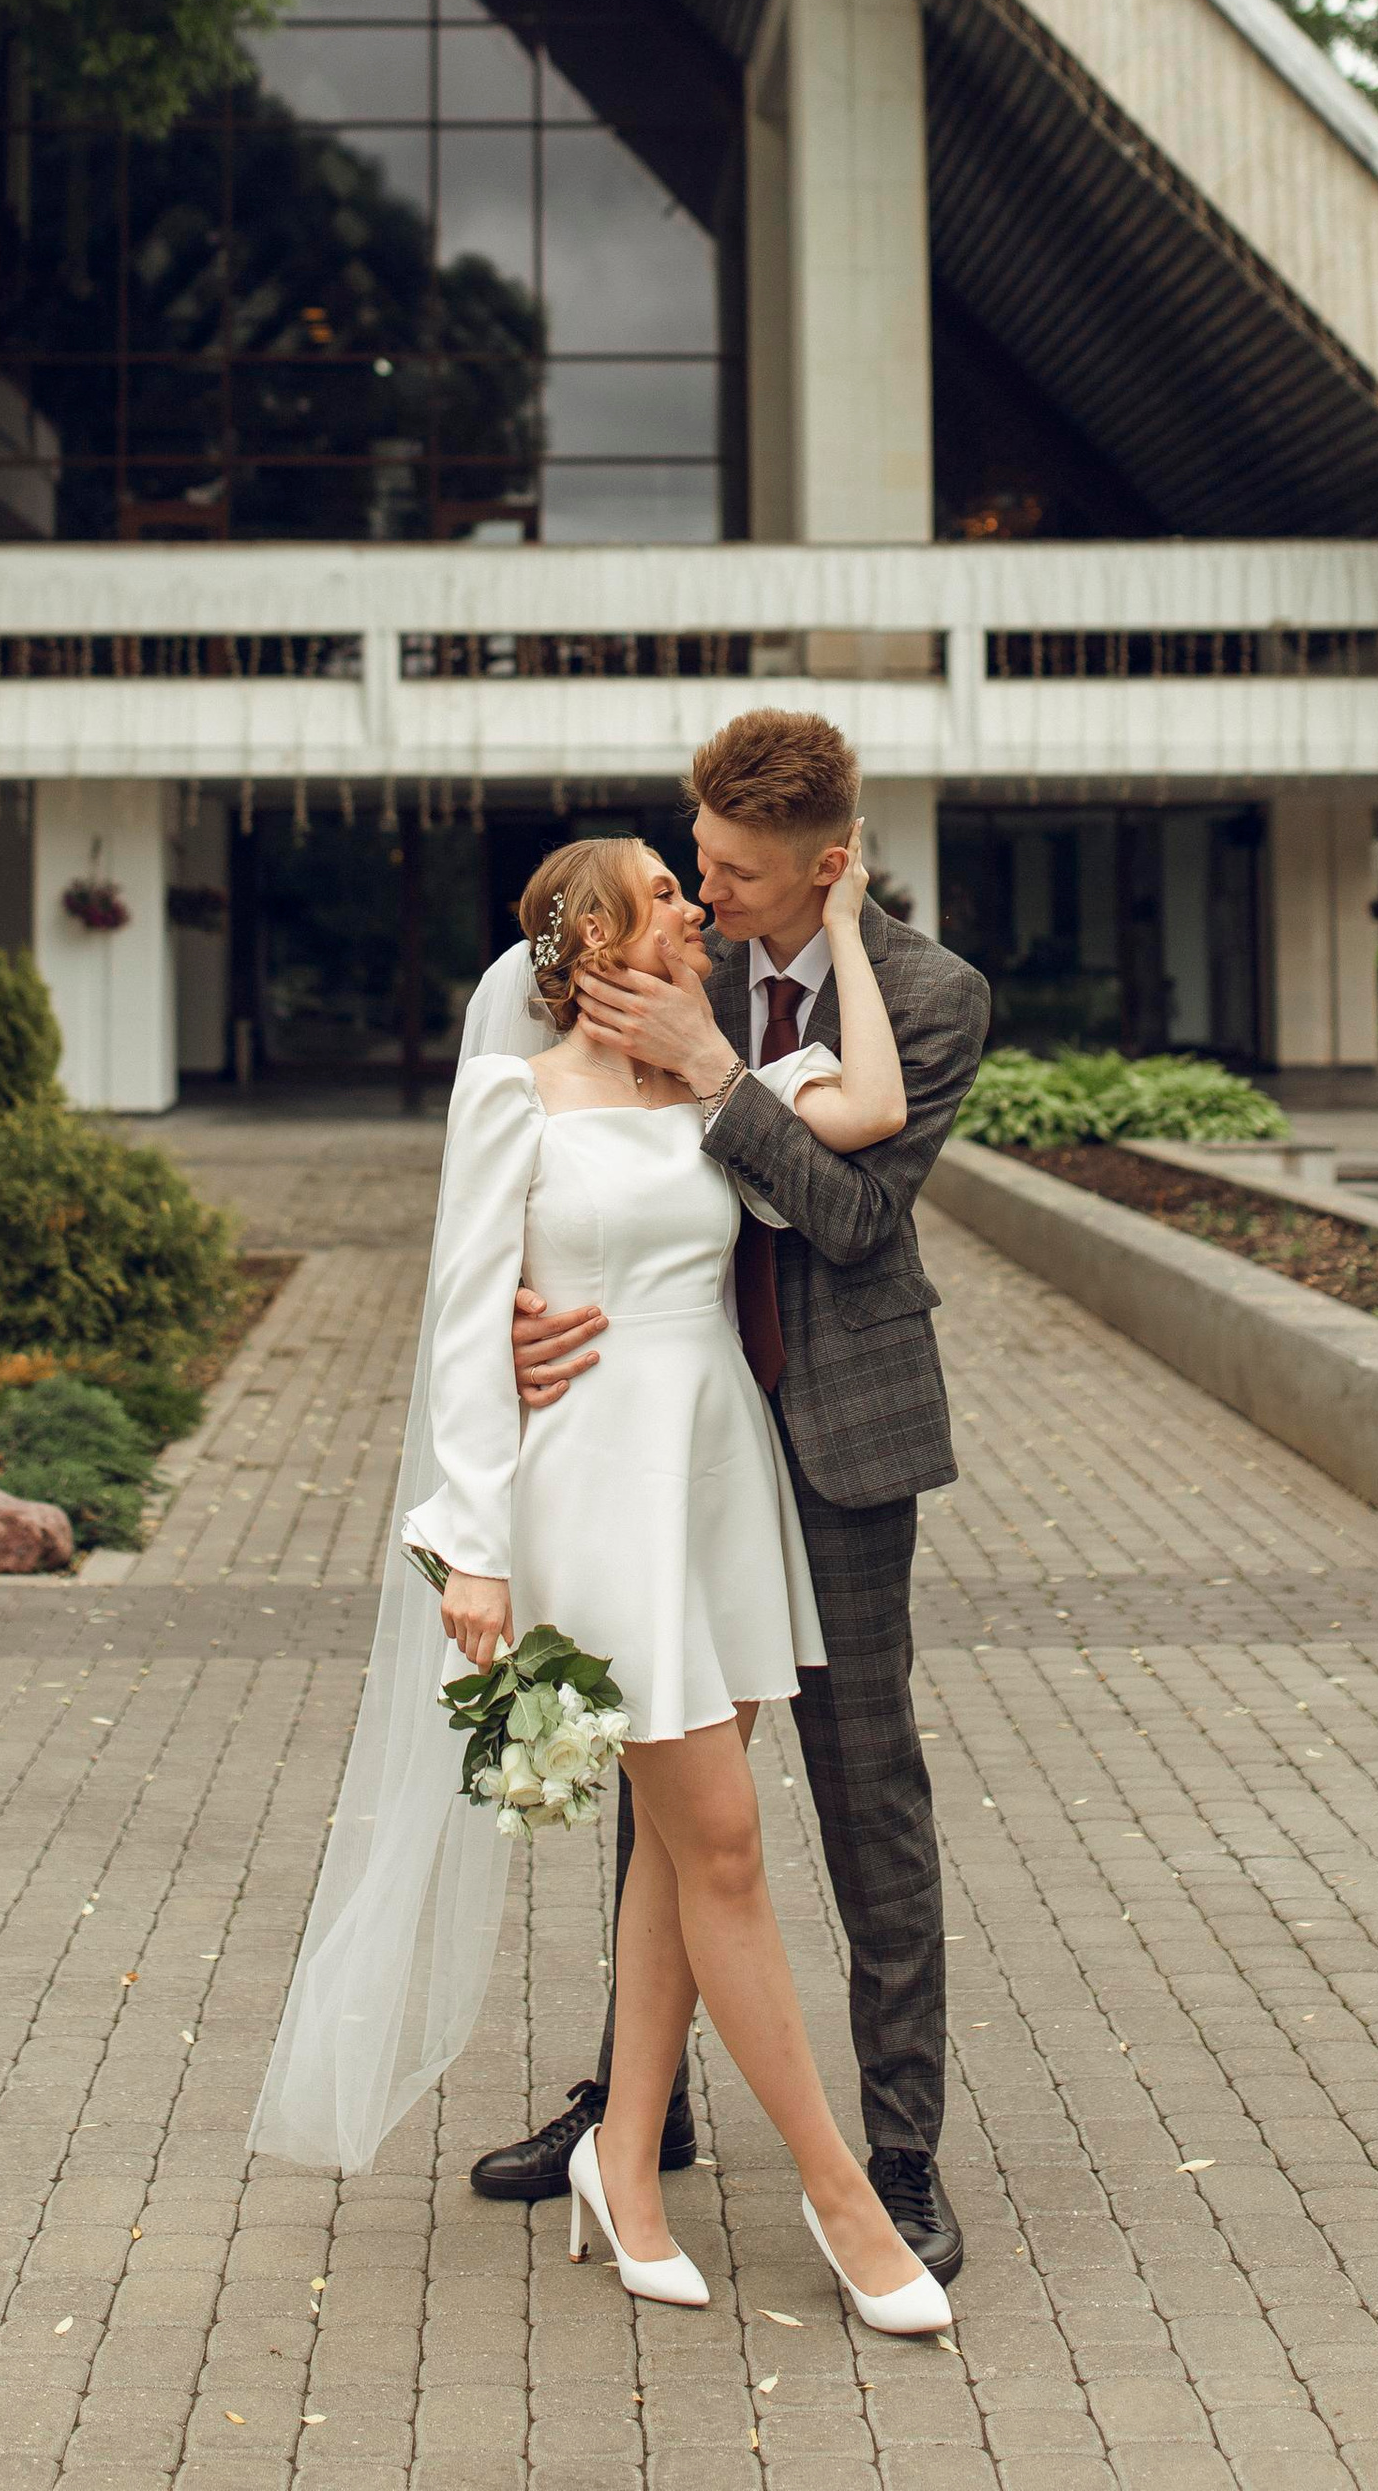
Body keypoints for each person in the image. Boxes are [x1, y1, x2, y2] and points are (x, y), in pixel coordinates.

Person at [250, 817, 952, 2335]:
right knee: (723, 1855)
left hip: (717, 1492)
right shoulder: (516, 1096)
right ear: (587, 942)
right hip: (596, 1495)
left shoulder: (720, 1091)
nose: (695, 906)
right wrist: (476, 1551)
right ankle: (840, 2195)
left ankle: (624, 2163)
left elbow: (878, 1105)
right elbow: (459, 1330)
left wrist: (841, 921)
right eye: (662, 895)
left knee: (670, 1858)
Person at [465, 709, 992, 2287]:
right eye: (697, 855)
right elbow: (553, 1163)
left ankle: (898, 2154)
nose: (710, 886)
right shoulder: (656, 946)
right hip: (655, 1433)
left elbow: (847, 1217)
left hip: (829, 1435)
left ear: (830, 865)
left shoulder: (929, 999)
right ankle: (644, 2119)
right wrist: (511, 1308)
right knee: (659, 1793)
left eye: (742, 870)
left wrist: (713, 1068)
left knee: (862, 1790)